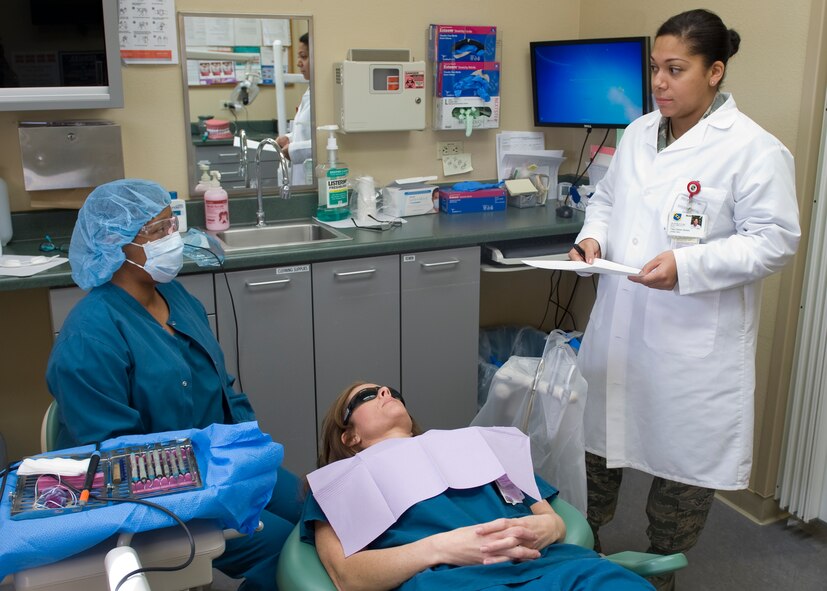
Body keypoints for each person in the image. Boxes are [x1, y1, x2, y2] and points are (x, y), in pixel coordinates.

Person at [568, 9, 800, 590]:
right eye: (655, 69)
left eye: (677, 69)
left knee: (680, 477)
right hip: (622, 325)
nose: (660, 82)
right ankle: (574, 558)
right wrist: (591, 235)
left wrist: (687, 266)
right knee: (594, 454)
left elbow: (775, 241)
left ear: (715, 71)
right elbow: (604, 199)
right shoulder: (639, 132)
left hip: (692, 342)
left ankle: (662, 572)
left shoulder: (753, 149)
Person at [46, 179, 303, 591]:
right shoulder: (89, 339)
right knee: (289, 548)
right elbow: (115, 462)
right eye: (157, 231)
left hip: (222, 462)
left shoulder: (176, 297)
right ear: (116, 243)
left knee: (319, 511)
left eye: (172, 226)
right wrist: (215, 490)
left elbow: (221, 387)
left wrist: (250, 454)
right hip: (164, 495)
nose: (173, 239)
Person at [301, 381, 656, 591]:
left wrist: (545, 528)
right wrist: (442, 548)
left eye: (391, 390)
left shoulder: (475, 445)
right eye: (366, 396)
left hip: (552, 567)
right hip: (449, 582)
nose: (385, 391)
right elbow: (345, 576)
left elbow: (553, 520)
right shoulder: (339, 482)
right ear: (350, 436)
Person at [276, 32, 311, 184]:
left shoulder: (326, 95)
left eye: (303, 56)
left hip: (314, 181)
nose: (298, 63)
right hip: (303, 178)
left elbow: (329, 142)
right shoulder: (311, 91)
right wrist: (289, 138)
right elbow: (307, 131)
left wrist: (293, 150)